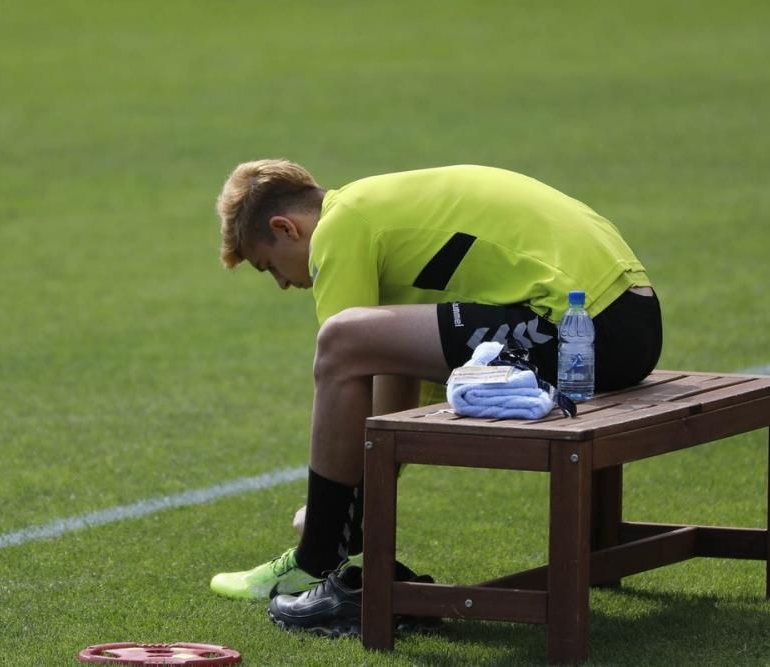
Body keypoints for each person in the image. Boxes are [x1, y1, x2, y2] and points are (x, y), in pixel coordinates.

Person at [208, 161, 663, 632]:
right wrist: (363, 507)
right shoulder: (377, 210)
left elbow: (345, 352)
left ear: (286, 228)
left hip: (584, 328)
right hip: (631, 320)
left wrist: (330, 521)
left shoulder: (341, 226)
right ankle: (335, 542)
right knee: (359, 342)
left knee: (341, 340)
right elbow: (387, 365)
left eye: (269, 267)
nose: (283, 284)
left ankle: (318, 557)